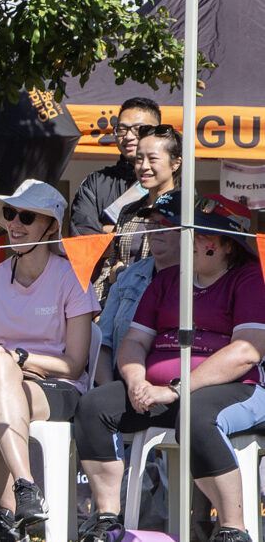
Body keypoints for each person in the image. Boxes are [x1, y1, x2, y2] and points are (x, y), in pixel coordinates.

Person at [74, 195, 265, 542]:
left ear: (224, 245)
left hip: (237, 389)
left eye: (196, 235)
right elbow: (134, 341)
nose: (185, 240)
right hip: (158, 391)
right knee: (93, 407)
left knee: (195, 416)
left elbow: (246, 352)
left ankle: (233, 529)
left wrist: (176, 389)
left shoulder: (250, 278)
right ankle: (106, 517)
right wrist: (135, 380)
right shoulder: (167, 280)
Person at [0, 179, 98, 541]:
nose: (15, 224)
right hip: (2, 382)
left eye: (26, 215)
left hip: (59, 387)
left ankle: (8, 513)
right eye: (10, 213)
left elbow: (74, 365)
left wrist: (19, 357)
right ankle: (25, 489)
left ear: (51, 226)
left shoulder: (72, 279)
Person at [94, 190, 183, 384]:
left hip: (175, 389)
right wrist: (108, 388)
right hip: (122, 386)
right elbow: (102, 342)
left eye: (166, 223)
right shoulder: (129, 276)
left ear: (187, 231)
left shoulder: (201, 279)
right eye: (152, 222)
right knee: (92, 406)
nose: (156, 230)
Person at [92, 125, 181, 301]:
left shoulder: (187, 212)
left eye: (152, 159)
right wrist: (96, 309)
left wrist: (122, 273)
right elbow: (110, 264)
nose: (144, 166)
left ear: (176, 163)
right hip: (120, 306)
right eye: (139, 159)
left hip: (165, 304)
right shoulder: (128, 211)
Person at [70, 98, 162, 236]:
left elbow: (176, 237)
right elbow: (83, 239)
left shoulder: (174, 182)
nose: (128, 136)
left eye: (138, 129)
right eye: (122, 129)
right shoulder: (95, 183)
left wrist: (108, 231)